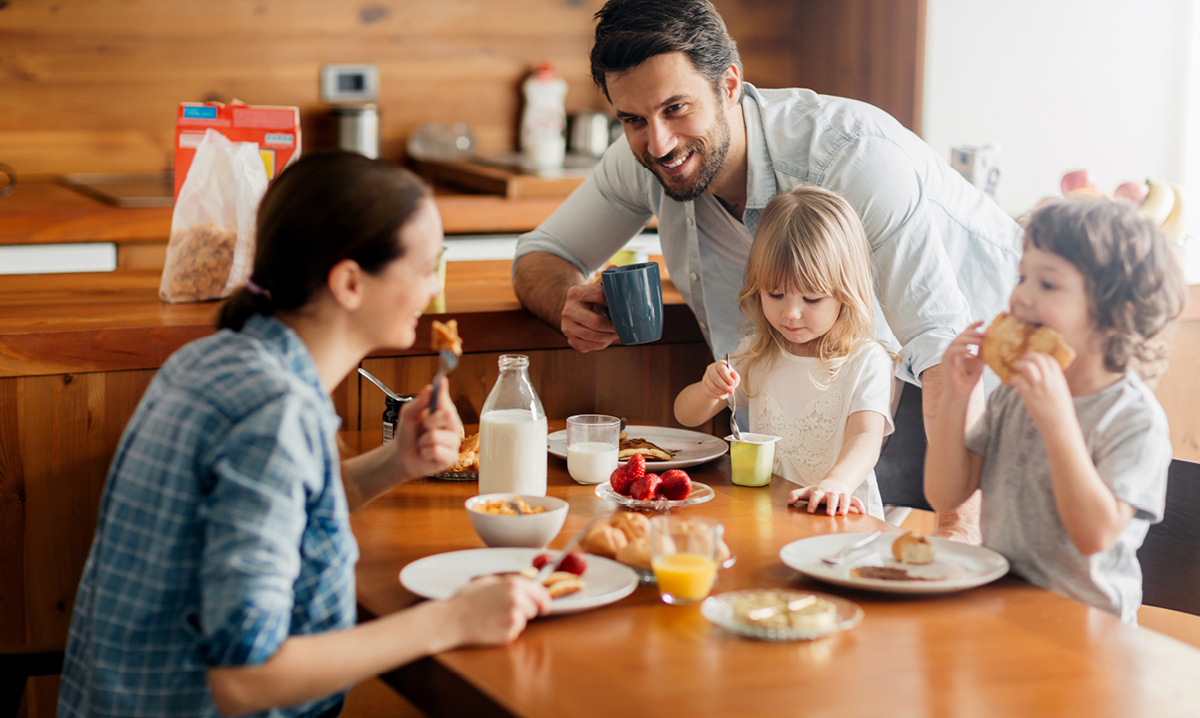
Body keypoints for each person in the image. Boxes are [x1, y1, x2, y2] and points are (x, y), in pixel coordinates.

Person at [59, 152, 551, 718]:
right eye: (423, 267)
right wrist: (450, 620)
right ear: (349, 282)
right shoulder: (275, 411)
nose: (432, 288)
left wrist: (396, 461)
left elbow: (283, 507)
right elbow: (246, 678)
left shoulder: (217, 358)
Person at [511, 0, 1022, 540]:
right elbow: (542, 254)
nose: (658, 144)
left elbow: (942, 346)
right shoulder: (648, 155)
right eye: (633, 119)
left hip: (996, 360)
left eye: (676, 108)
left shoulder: (853, 157)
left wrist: (958, 531)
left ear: (729, 85)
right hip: (839, 408)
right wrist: (566, 301)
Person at [925, 198, 1187, 623]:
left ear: (1114, 311)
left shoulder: (1134, 420)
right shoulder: (1014, 394)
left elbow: (1095, 536)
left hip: (1088, 629)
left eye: (1048, 284)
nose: (1021, 296)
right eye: (1022, 276)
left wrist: (1058, 423)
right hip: (1003, 610)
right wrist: (957, 397)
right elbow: (945, 494)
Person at [674, 186, 895, 518]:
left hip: (838, 516)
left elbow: (866, 437)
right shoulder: (758, 352)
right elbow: (685, 415)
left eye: (811, 298)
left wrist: (836, 483)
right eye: (775, 294)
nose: (791, 313)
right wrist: (708, 390)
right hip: (772, 513)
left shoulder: (866, 360)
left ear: (846, 292)